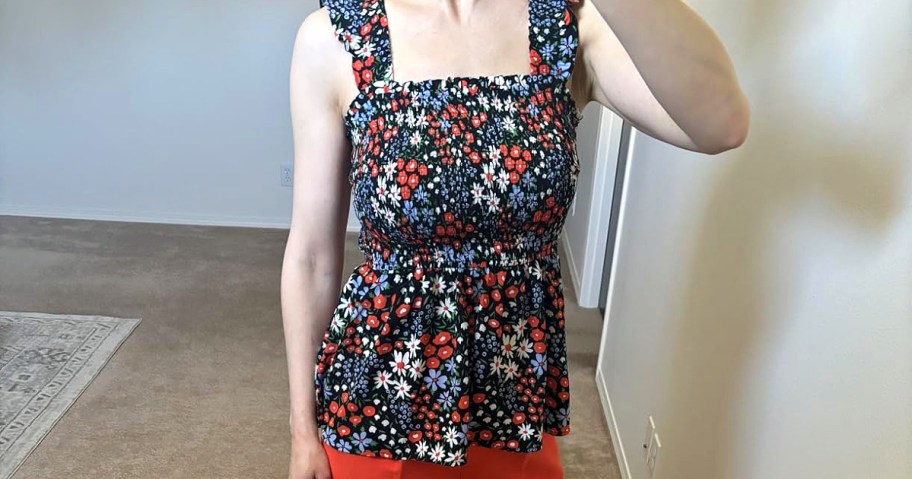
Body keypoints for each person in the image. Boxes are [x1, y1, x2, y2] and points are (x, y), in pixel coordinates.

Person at [281, 0, 749, 478]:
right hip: (381, 408)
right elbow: (312, 257)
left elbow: (721, 125)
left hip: (515, 402)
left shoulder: (567, 28)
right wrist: (302, 433)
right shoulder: (336, 36)